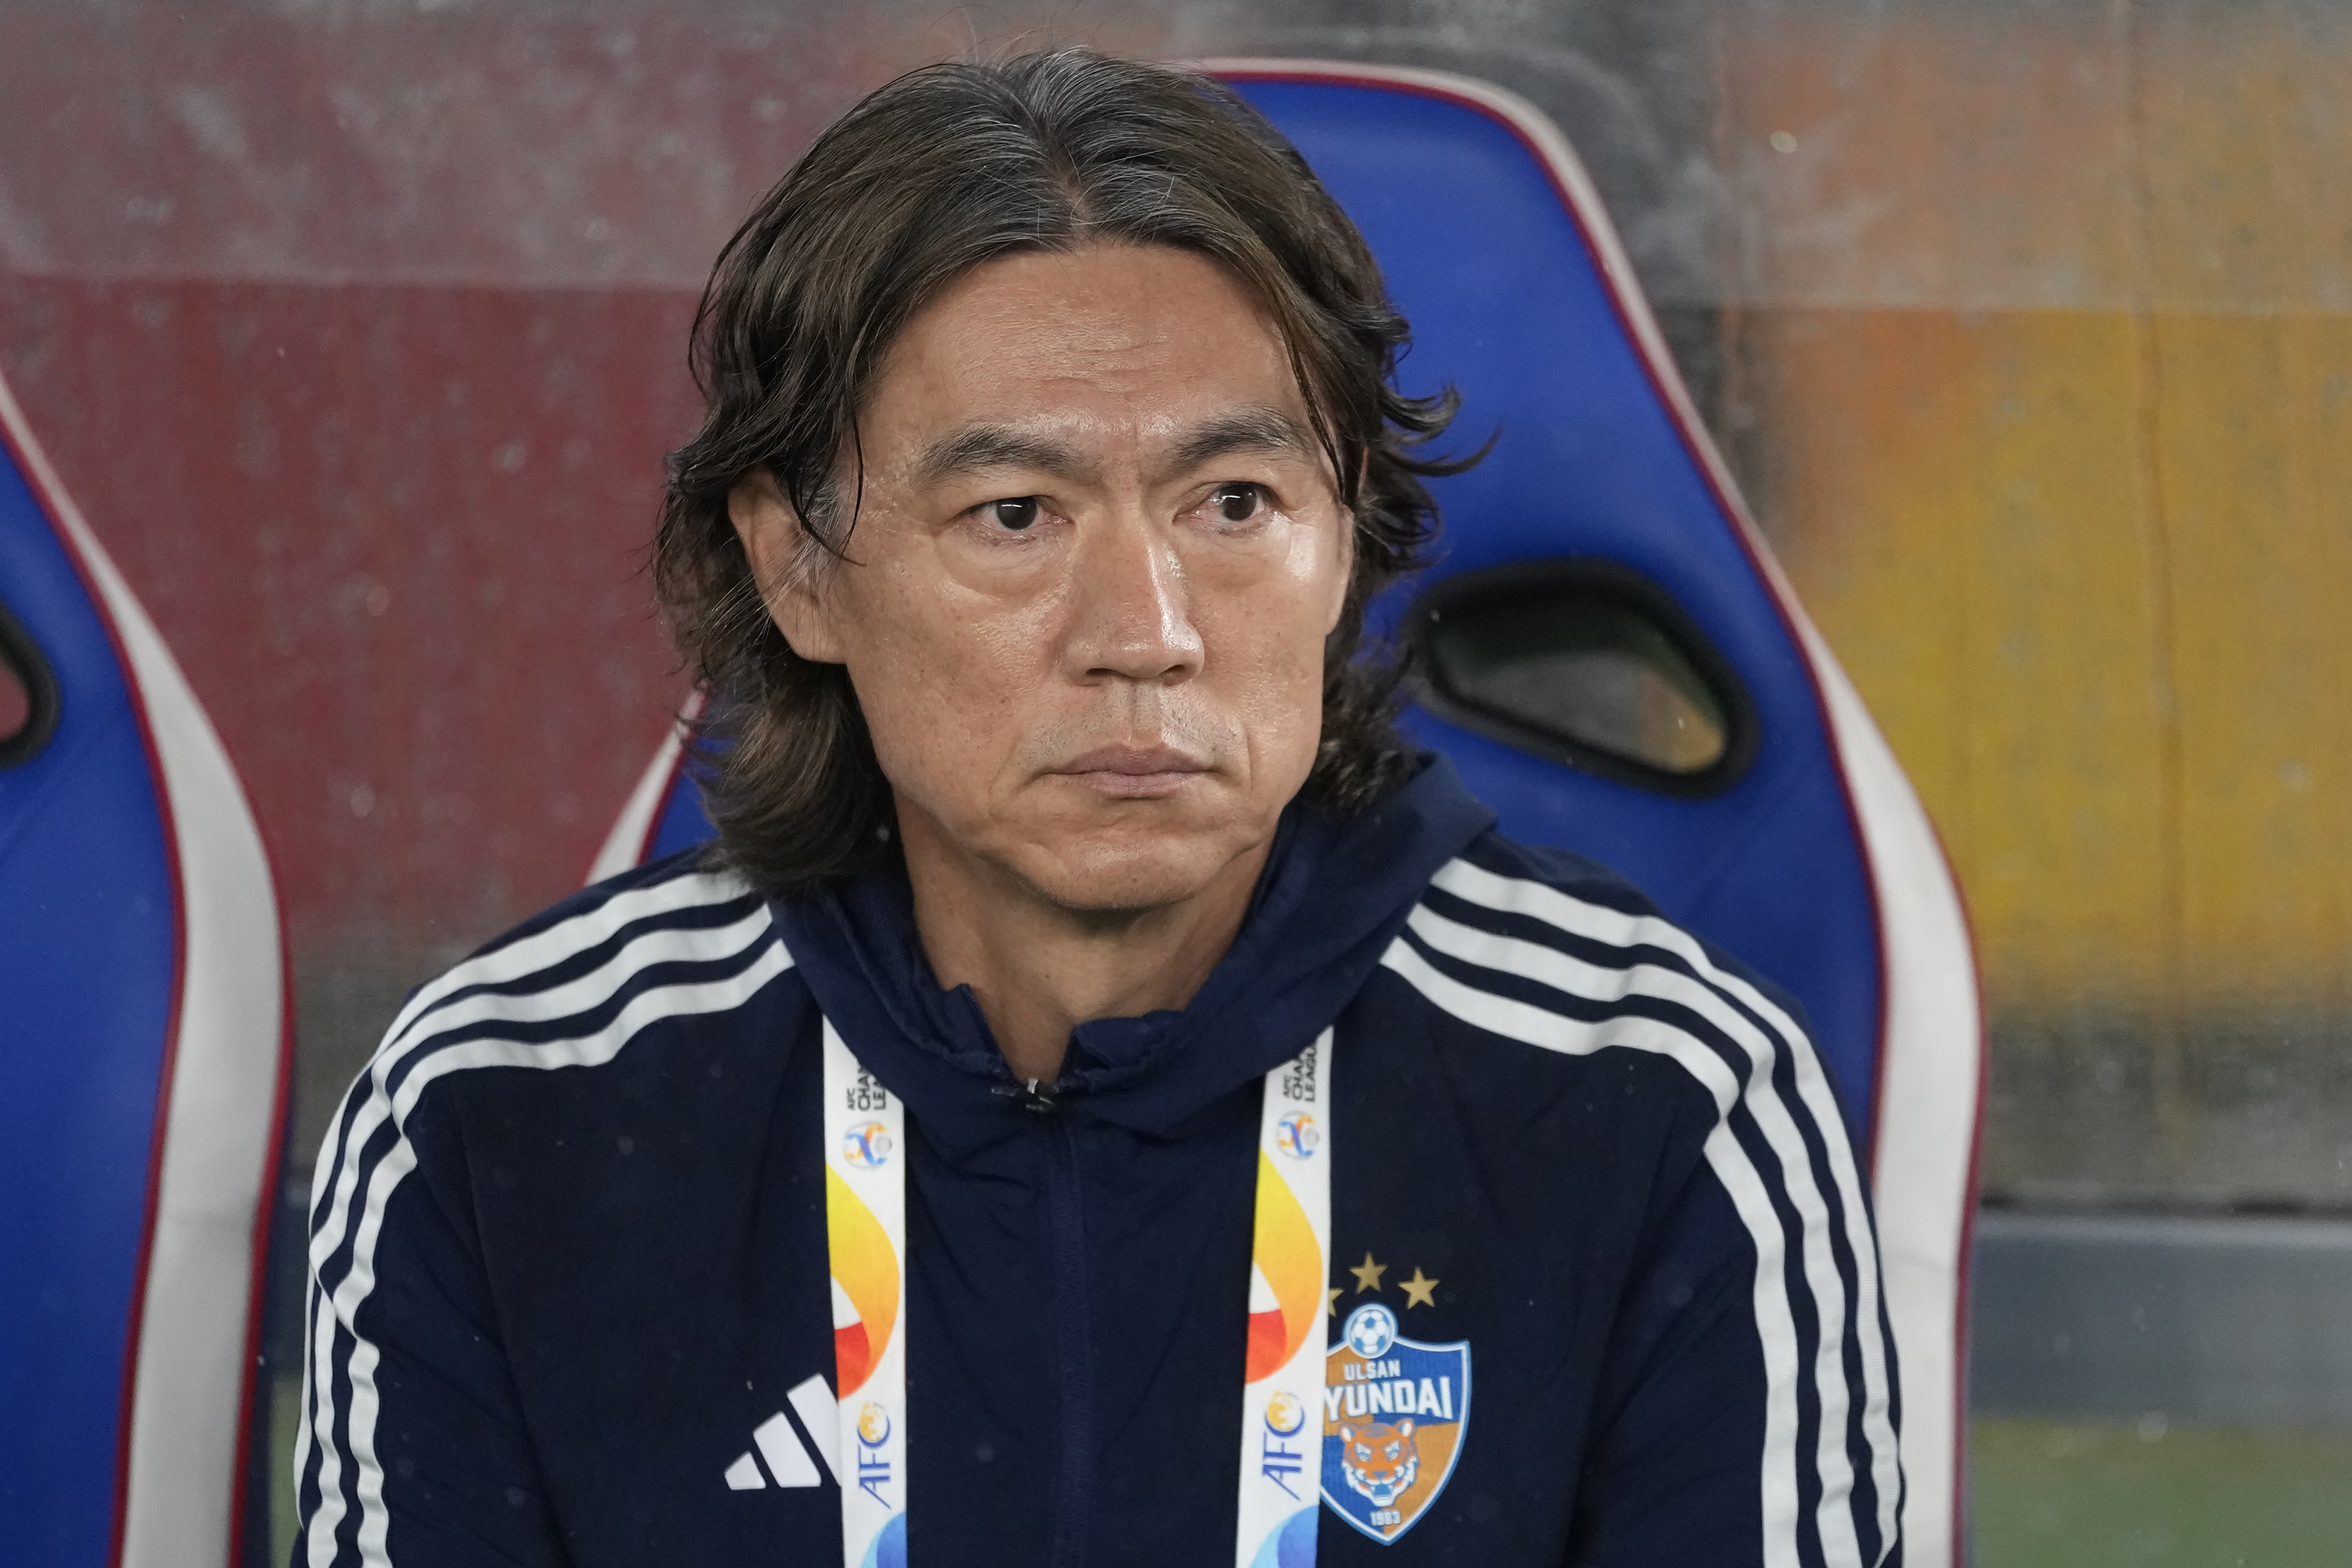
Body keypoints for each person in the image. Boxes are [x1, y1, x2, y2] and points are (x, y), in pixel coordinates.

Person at [296, 47, 1900, 1568]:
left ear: (1349, 533)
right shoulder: (500, 1115)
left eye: (1234, 502)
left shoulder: (1661, 1097)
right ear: (797, 568)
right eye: (1015, 513)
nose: (1146, 630)